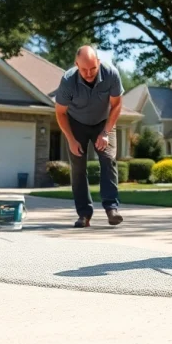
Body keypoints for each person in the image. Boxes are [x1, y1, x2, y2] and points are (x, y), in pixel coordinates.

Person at [54, 46, 125, 228]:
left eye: (92, 69)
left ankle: (111, 209)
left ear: (98, 63)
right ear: (76, 64)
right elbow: (60, 113)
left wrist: (105, 132)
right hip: (76, 123)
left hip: (103, 122)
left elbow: (116, 105)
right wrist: (71, 139)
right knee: (78, 166)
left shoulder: (110, 74)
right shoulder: (68, 81)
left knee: (108, 159)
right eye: (83, 69)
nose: (88, 73)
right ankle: (84, 215)